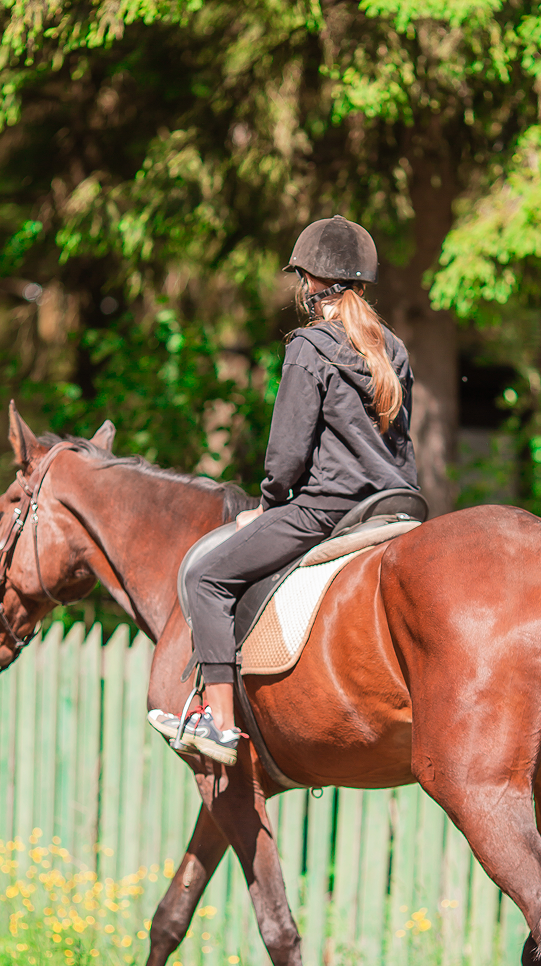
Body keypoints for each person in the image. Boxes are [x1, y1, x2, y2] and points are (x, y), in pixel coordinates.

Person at [148, 215, 419, 765]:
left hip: (329, 511)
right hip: (393, 506)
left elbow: (288, 456)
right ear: (362, 283)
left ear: (311, 283)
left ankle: (219, 723)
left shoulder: (309, 347)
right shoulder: (394, 349)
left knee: (206, 575)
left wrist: (267, 508)